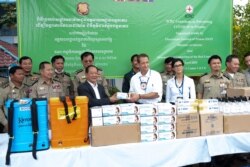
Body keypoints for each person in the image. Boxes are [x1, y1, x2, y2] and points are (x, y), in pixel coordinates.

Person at [0, 66, 28, 133]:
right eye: (19, 74)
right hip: (11, 123)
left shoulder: (27, 87)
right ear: (11, 75)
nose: (22, 76)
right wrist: (6, 123)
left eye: (23, 74)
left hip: (26, 122)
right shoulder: (4, 89)